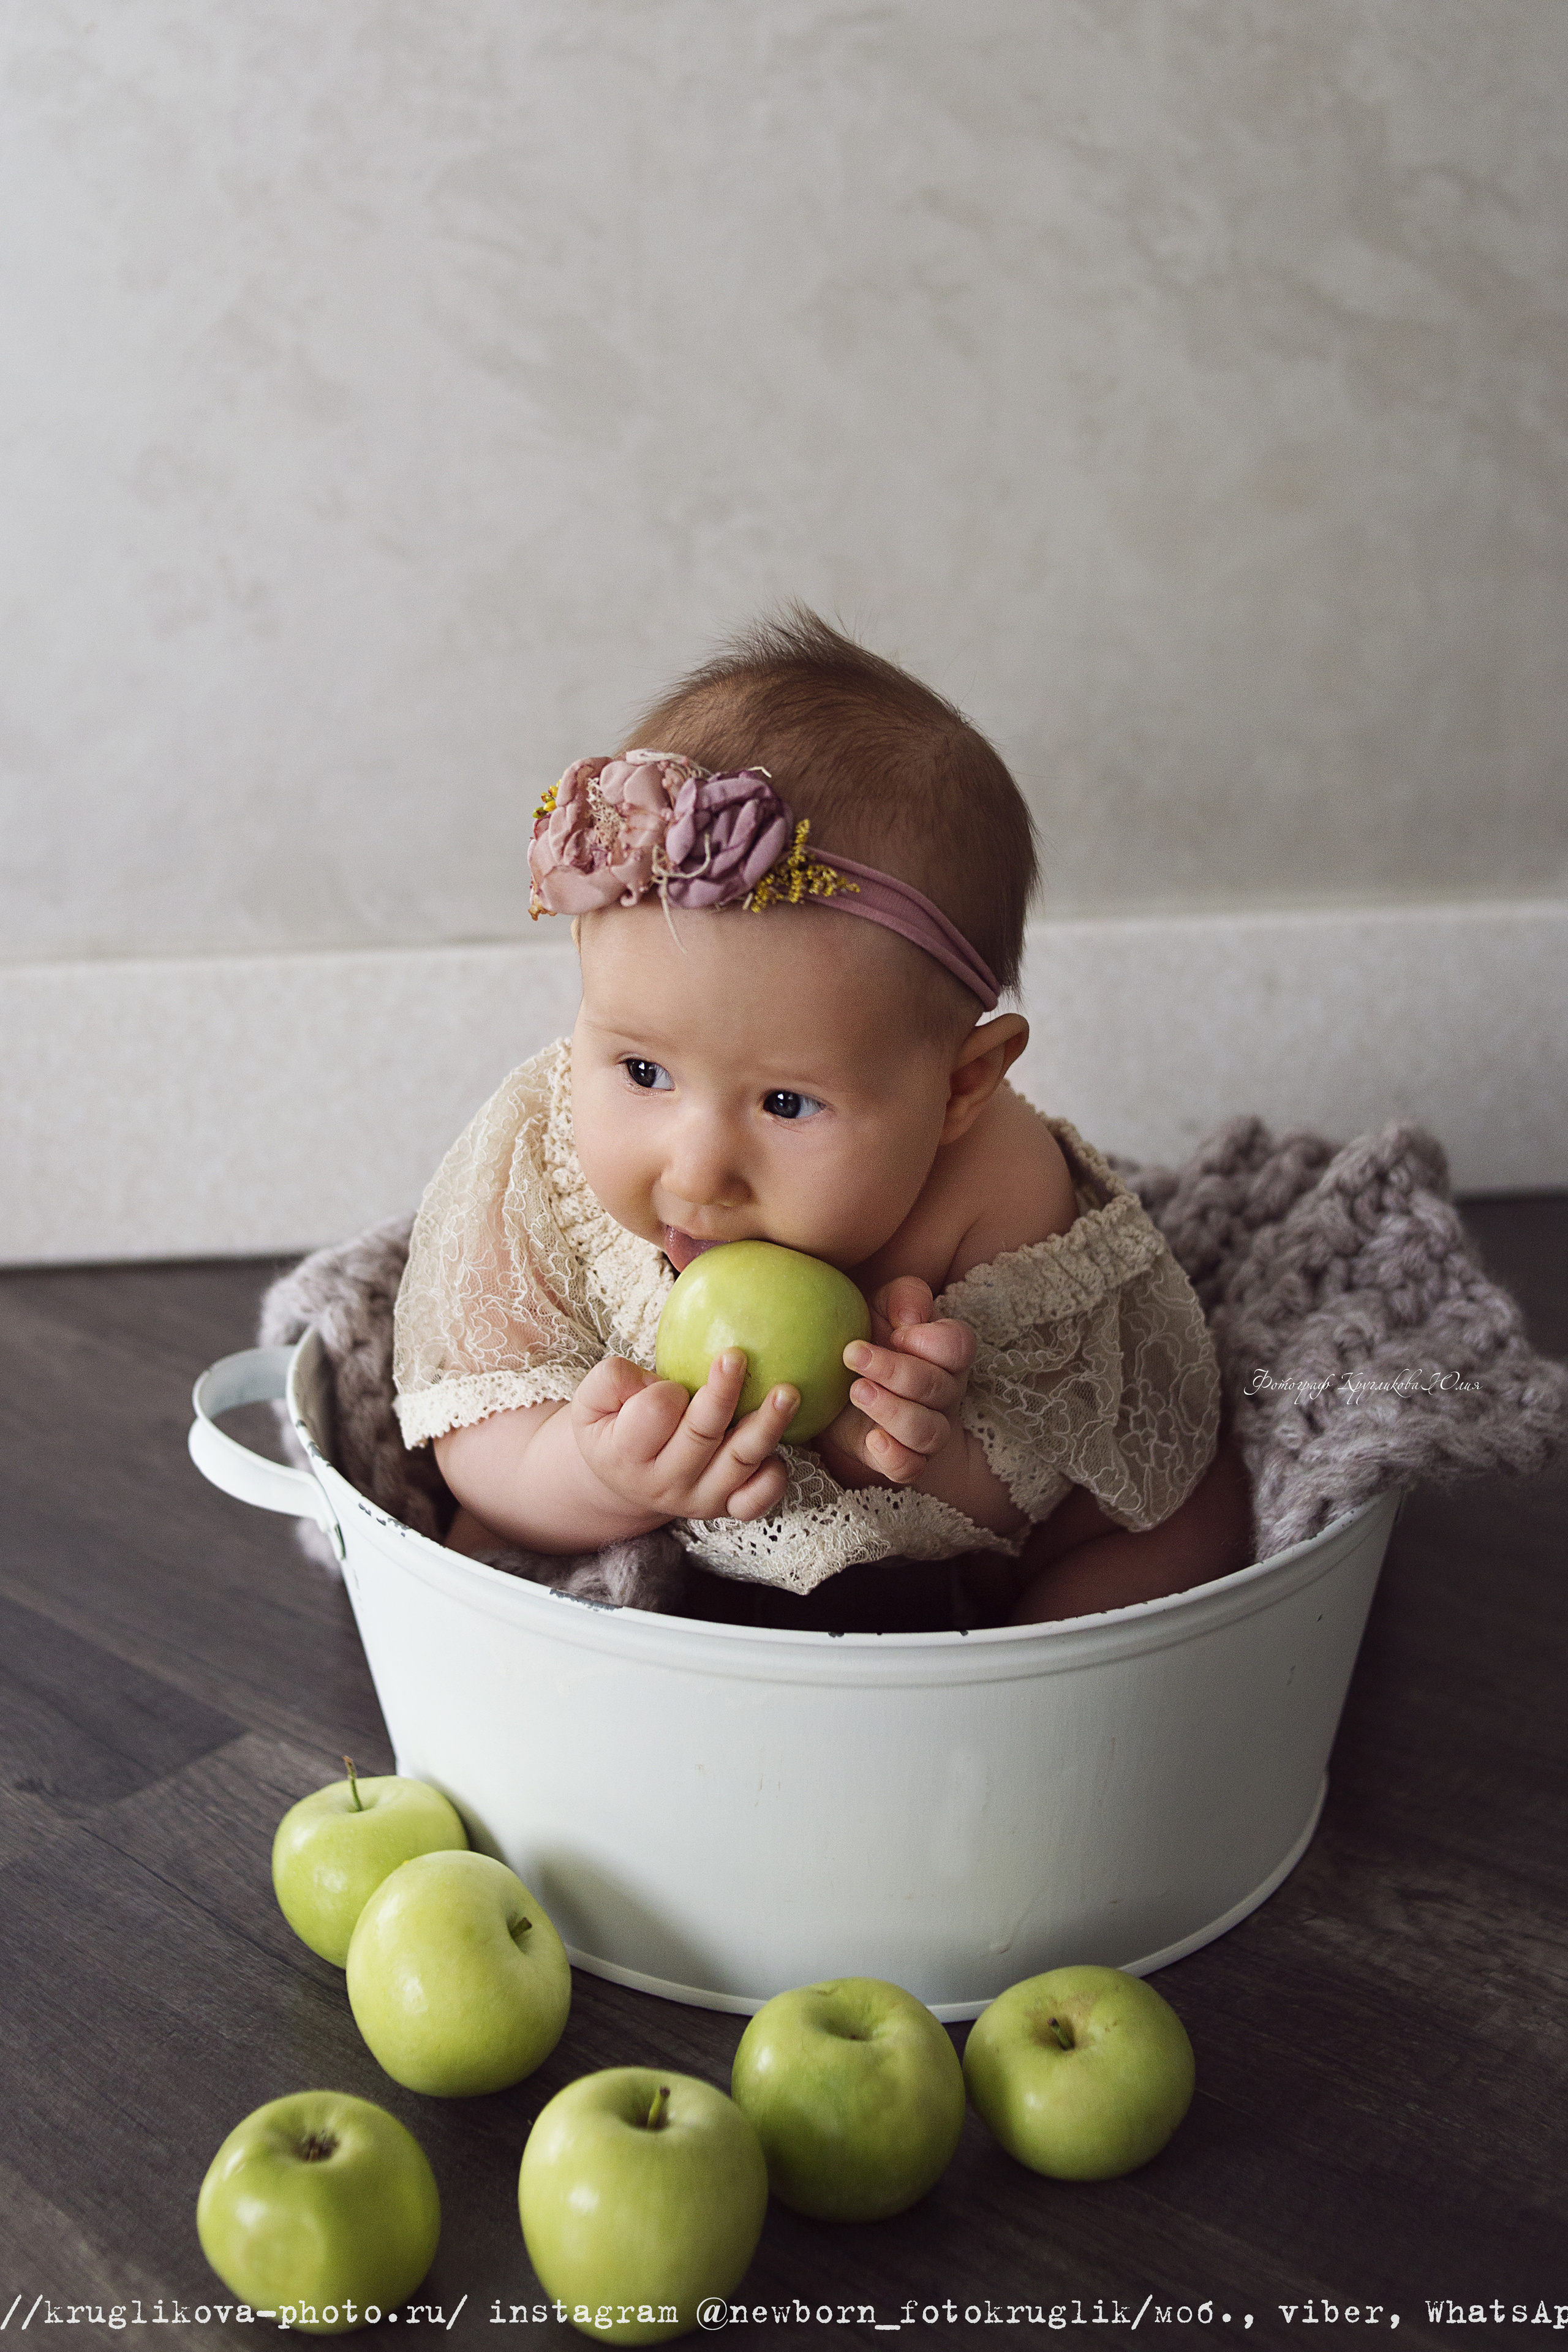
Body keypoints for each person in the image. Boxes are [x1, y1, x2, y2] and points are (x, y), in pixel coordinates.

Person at [392, 612, 1251, 1625]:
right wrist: (592, 1475)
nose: (698, 1169)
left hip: (931, 1546)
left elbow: (1042, 1468)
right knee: (481, 1540)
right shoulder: (543, 1150)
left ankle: (1023, 1683)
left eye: (786, 1103)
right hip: (624, 1496)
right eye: (643, 1070)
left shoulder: (1002, 1191)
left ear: (960, 1089)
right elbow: (472, 1412)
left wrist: (897, 1446)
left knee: (1183, 1518)